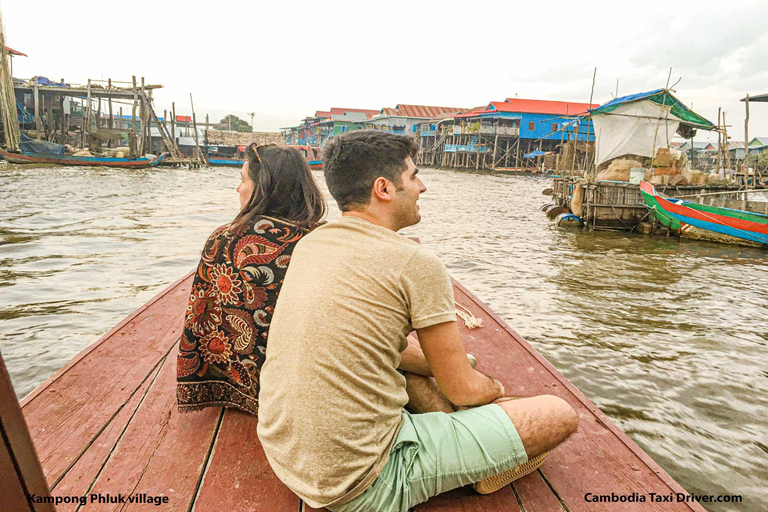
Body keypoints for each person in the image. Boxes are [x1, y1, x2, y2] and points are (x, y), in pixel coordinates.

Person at [257, 131, 579, 512]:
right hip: (362, 485)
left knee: (414, 368)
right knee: (559, 414)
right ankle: (480, 463)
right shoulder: (415, 262)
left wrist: (453, 373)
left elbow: (381, 348)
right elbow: (464, 390)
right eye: (413, 176)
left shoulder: (313, 244)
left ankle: (468, 442)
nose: (422, 187)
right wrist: (494, 390)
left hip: (289, 457)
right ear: (384, 188)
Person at [176, 143, 326, 414]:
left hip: (247, 386)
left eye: (243, 180)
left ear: (262, 188)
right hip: (309, 385)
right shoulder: (324, 240)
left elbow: (200, 318)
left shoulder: (225, 238)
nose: (238, 188)